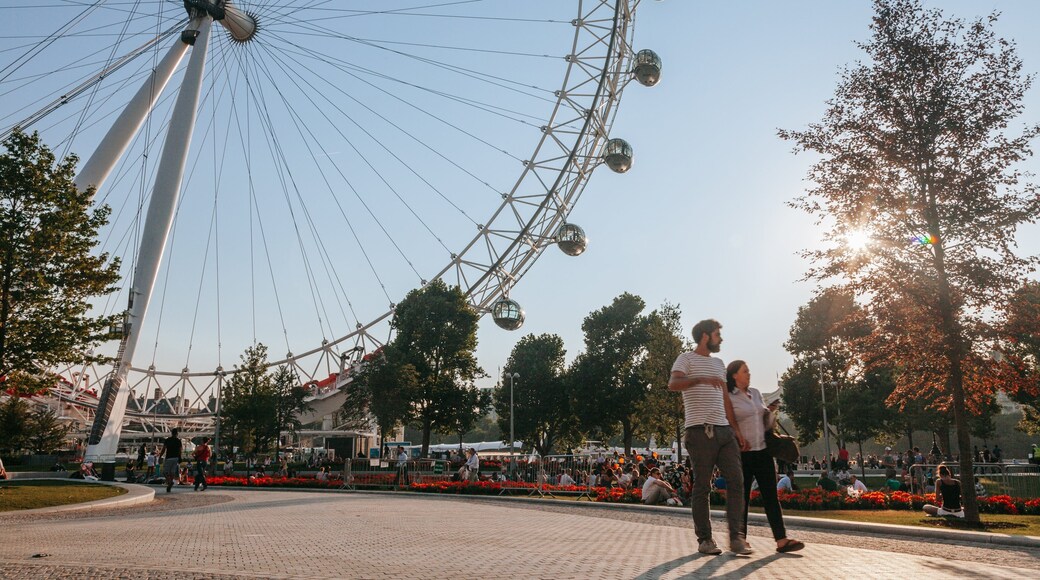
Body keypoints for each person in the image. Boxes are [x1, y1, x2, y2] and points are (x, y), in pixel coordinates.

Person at [669, 319, 750, 556]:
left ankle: (736, 538)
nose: (721, 339)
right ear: (705, 336)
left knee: (737, 481)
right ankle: (705, 540)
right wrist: (700, 379)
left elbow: (725, 398)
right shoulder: (686, 359)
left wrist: (736, 429)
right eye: (717, 334)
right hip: (699, 431)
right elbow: (673, 383)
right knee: (702, 487)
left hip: (724, 431)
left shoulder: (719, 363)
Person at [726, 360, 804, 554]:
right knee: (742, 498)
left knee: (771, 497)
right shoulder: (729, 397)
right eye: (745, 371)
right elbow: (727, 424)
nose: (749, 374)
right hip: (742, 455)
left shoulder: (756, 393)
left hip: (763, 453)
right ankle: (739, 540)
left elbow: (764, 422)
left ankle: (781, 540)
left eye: (749, 371)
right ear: (734, 375)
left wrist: (770, 412)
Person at [158, 428, 183, 493]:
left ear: (171, 433)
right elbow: (180, 450)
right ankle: (170, 484)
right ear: (177, 434)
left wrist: (160, 456)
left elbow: (164, 449)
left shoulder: (168, 440)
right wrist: (180, 457)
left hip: (169, 457)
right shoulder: (178, 441)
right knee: (172, 472)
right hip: (176, 458)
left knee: (165, 472)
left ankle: (170, 482)